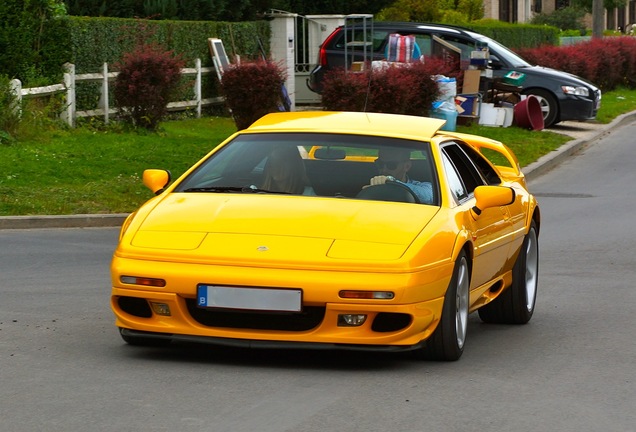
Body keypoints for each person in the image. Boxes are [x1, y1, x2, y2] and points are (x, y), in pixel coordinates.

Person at [365, 147, 433, 203]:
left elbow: (428, 196)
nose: (384, 170)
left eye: (391, 165)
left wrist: (391, 182)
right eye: (380, 164)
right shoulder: (368, 184)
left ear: (407, 166)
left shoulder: (421, 186)